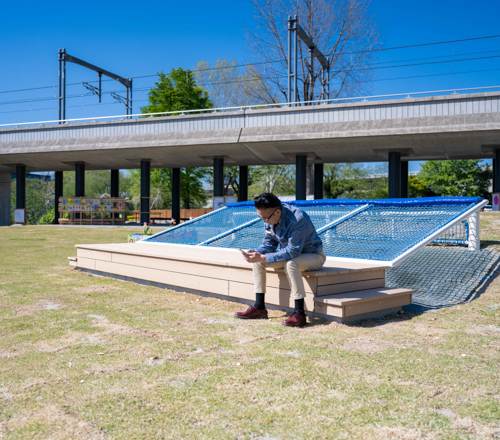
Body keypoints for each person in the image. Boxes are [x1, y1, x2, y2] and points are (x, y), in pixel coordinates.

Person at [234, 193, 326, 327]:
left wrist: (265, 257)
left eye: (265, 218)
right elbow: (269, 244)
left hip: (314, 255)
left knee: (291, 264)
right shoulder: (269, 218)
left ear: (277, 212)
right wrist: (258, 253)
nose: (264, 222)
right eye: (261, 218)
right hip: (292, 255)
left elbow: (293, 250)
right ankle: (259, 307)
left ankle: (299, 313)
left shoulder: (298, 218)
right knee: (258, 261)